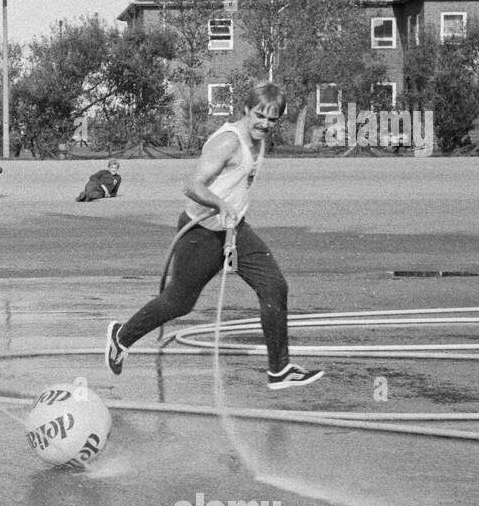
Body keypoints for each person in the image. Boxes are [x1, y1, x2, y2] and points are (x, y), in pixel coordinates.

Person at [104, 82, 323, 390]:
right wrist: (220, 204)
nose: (265, 124)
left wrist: (232, 211)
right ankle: (121, 336)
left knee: (274, 287)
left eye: (272, 119)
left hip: (235, 229)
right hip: (202, 232)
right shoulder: (228, 142)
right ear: (246, 110)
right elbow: (191, 185)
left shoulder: (257, 139)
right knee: (178, 303)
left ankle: (279, 370)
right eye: (259, 116)